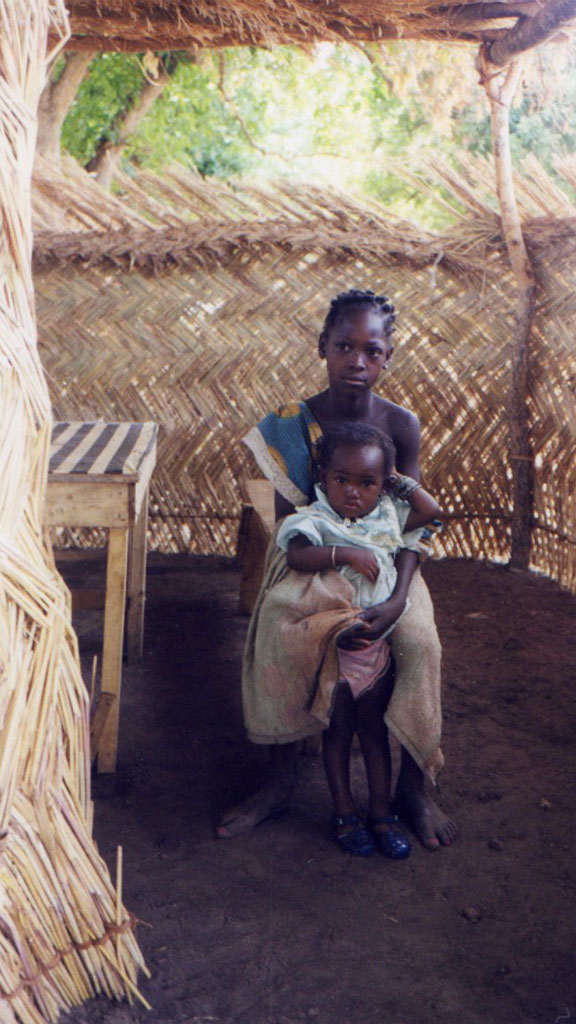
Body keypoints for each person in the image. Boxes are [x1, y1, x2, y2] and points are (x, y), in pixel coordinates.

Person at [217, 288, 456, 850]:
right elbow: (288, 524)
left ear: (388, 356)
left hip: (389, 560)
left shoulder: (401, 425)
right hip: (314, 553)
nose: (357, 361)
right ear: (323, 347)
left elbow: (414, 524)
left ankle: (414, 788)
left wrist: (397, 598)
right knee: (279, 626)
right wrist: (331, 562)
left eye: (372, 350)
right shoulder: (290, 424)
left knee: (420, 642)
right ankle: (279, 779)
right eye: (344, 346)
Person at [275, 421, 441, 857]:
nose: (352, 492)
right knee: (338, 731)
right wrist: (344, 552)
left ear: (383, 485)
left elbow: (431, 509)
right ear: (323, 481)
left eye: (366, 482)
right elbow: (295, 553)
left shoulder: (387, 514)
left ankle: (381, 815)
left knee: (373, 733)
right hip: (336, 650)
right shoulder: (319, 518)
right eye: (341, 480)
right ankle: (345, 814)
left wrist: (396, 483)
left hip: (377, 650)